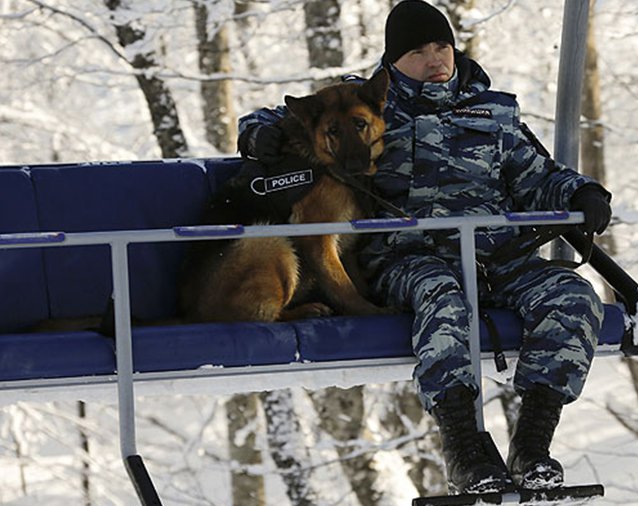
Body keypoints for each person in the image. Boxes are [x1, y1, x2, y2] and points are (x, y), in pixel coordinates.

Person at [237, 0, 613, 495]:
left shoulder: (493, 111)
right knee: (443, 298)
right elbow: (271, 118)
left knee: (573, 295)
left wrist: (579, 193)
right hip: (409, 256)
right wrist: (260, 133)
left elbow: (537, 175)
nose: (436, 60)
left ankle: (533, 443)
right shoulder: (365, 101)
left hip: (496, 254)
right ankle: (463, 447)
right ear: (394, 60)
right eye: (418, 51)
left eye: (442, 47)